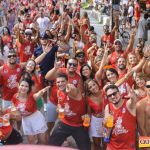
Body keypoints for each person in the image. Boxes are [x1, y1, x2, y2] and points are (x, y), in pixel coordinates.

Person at [49, 73, 91, 150]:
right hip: (64, 122)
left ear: (67, 82)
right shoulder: (59, 92)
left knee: (86, 148)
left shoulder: (74, 92)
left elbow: (73, 90)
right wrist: (58, 108)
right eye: (58, 82)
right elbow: (59, 103)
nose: (60, 84)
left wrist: (69, 88)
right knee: (51, 144)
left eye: (63, 81)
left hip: (78, 125)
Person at [12, 78, 49, 144]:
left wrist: (41, 92)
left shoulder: (32, 96)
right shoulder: (15, 97)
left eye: (26, 86)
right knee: (31, 141)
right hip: (26, 121)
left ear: (29, 88)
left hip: (36, 118)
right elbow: (14, 108)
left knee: (42, 140)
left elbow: (37, 95)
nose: (23, 88)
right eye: (22, 85)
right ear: (18, 85)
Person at [104, 84, 137, 150]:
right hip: (112, 146)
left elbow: (132, 102)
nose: (112, 96)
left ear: (119, 93)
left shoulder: (128, 104)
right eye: (109, 95)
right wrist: (105, 125)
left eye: (114, 93)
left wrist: (133, 97)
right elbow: (106, 130)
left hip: (128, 147)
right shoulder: (108, 107)